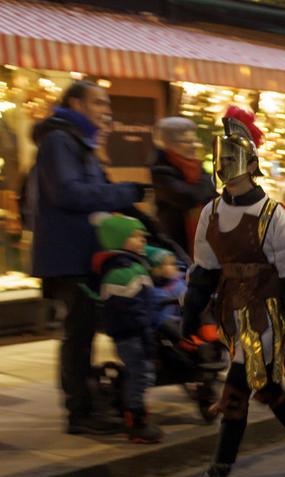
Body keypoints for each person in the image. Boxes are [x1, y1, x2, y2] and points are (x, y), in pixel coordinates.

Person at [182, 107, 285, 477]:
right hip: (232, 314)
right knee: (266, 387)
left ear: (251, 162)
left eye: (231, 157)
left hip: (266, 316)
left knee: (236, 393)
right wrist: (191, 311)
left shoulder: (272, 216)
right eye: (220, 158)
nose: (223, 165)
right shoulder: (211, 213)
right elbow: (205, 269)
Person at [33, 81, 146, 435]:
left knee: (84, 333)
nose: (105, 109)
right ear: (75, 103)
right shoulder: (60, 141)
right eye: (98, 102)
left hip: (83, 254)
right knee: (78, 334)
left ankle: (88, 403)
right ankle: (79, 413)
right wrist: (124, 192)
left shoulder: (77, 142)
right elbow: (68, 193)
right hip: (68, 256)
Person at [93, 213, 162, 444]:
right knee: (140, 375)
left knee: (140, 374)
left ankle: (137, 412)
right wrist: (146, 334)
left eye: (143, 236)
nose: (142, 240)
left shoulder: (132, 266)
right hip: (132, 334)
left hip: (136, 331)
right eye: (135, 236)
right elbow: (132, 312)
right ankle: (135, 421)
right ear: (118, 240)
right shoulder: (122, 272)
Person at [150, 117, 215, 256]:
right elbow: (189, 197)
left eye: (195, 140)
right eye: (187, 141)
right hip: (177, 245)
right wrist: (206, 183)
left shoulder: (196, 166)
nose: (194, 145)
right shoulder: (161, 171)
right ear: (169, 145)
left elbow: (212, 192)